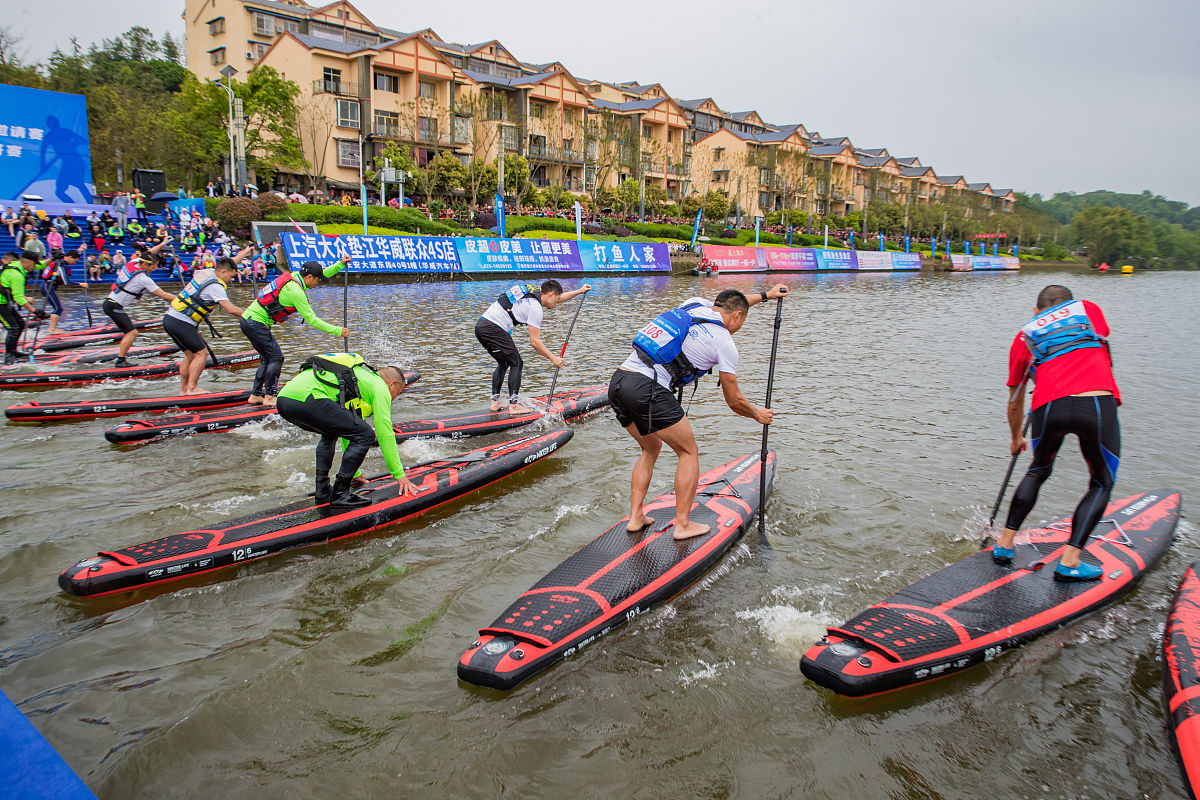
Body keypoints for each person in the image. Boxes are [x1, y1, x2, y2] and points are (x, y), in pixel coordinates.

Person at [609, 285, 789, 540]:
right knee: (688, 452)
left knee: (650, 448)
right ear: (738, 315)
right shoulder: (725, 343)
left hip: (619, 381)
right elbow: (734, 401)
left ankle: (636, 517)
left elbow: (734, 303)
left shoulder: (694, 304)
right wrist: (757, 414)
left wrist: (765, 296)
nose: (739, 327)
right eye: (741, 320)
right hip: (647, 388)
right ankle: (682, 525)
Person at [992, 285, 1121, 582]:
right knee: (1101, 482)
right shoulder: (1088, 308)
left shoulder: (1024, 336)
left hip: (1048, 407)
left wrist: (1016, 438)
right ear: (1070, 303)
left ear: (1035, 311)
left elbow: (1015, 399)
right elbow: (1101, 338)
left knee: (1038, 469)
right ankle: (1070, 561)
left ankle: (1005, 544)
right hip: (1096, 403)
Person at [276, 352, 417, 507]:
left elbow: (347, 432)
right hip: (307, 397)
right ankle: (340, 494)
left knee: (330, 433)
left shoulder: (359, 378)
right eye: (398, 392)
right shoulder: (380, 387)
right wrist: (399, 475)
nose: (394, 397)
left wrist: (354, 473)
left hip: (284, 400)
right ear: (391, 384)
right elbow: (385, 433)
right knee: (366, 434)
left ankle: (323, 490)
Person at [239, 258, 350, 406]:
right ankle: (270, 397)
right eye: (317, 280)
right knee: (276, 358)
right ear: (309, 277)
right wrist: (338, 331)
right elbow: (312, 320)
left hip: (249, 320)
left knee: (268, 358)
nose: (317, 283)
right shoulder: (296, 291)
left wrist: (340, 264)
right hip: (255, 323)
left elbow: (323, 273)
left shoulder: (295, 276)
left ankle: (256, 395)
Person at [474, 279, 591, 413]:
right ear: (551, 294)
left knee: (504, 362)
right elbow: (534, 342)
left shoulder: (535, 292)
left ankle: (495, 402)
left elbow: (558, 297)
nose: (556, 303)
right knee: (517, 363)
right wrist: (553, 358)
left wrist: (580, 291)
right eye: (556, 299)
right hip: (493, 328)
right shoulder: (536, 308)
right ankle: (513, 406)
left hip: (481, 326)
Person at [162, 249, 249, 395]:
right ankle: (192, 388)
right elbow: (230, 309)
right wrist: (252, 315)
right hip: (182, 322)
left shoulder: (207, 272)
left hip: (170, 318)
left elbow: (228, 263)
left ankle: (183, 391)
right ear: (223, 272)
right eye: (231, 276)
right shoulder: (216, 287)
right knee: (201, 354)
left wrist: (244, 253)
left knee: (190, 355)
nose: (231, 279)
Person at [102, 239, 176, 367]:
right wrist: (184, 300)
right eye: (153, 267)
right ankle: (120, 361)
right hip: (113, 306)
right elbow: (164, 295)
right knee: (132, 332)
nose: (154, 269)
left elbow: (148, 253)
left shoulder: (133, 262)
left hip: (110, 303)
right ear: (145, 265)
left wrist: (162, 244)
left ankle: (121, 356)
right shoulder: (143, 278)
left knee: (130, 331)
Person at [1, 251, 47, 363]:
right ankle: (9, 356)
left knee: (21, 324)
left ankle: (13, 351)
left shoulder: (19, 266)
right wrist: (35, 310)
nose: (35, 267)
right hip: (1, 304)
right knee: (13, 328)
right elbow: (18, 298)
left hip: (5, 303)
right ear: (27, 262)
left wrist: (53, 259)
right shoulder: (16, 275)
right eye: (34, 264)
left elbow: (40, 265)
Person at [35, 248, 86, 335]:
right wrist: (81, 284)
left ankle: (52, 328)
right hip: (47, 286)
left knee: (57, 307)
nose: (75, 263)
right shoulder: (62, 265)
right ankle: (52, 329)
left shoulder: (59, 262)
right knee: (58, 308)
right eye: (75, 261)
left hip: (46, 286)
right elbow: (67, 282)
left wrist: (80, 250)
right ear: (69, 257)